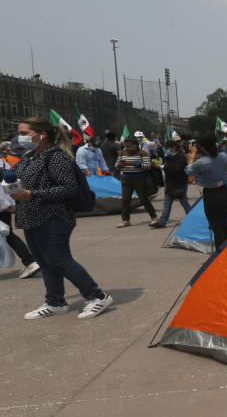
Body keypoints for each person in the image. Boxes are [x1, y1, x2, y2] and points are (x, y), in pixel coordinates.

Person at [10, 117, 114, 319]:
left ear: (42, 135)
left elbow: (68, 188)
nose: (20, 138)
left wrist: (33, 194)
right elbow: (13, 176)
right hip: (30, 217)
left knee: (59, 259)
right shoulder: (30, 157)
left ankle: (97, 296)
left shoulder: (57, 157)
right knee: (45, 262)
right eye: (19, 133)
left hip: (53, 217)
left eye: (24, 133)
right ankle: (55, 302)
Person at [185, 134, 227, 250]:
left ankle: (220, 254)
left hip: (211, 195)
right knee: (224, 224)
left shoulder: (201, 162)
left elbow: (188, 171)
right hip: (225, 192)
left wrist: (193, 154)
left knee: (216, 226)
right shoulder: (223, 156)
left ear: (200, 147)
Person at [0, 156, 40, 279]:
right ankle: (30, 262)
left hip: (3, 205)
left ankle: (30, 262)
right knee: (9, 235)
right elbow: (13, 181)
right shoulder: (3, 163)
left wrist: (6, 204)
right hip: (7, 204)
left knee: (8, 235)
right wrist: (13, 202)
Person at [115, 136, 158, 228]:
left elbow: (148, 166)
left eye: (131, 146)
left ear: (136, 145)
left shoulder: (143, 153)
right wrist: (119, 165)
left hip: (139, 179)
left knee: (143, 199)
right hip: (126, 179)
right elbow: (116, 165)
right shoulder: (122, 153)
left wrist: (137, 164)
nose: (128, 149)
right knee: (125, 200)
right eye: (126, 146)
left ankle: (154, 217)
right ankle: (126, 220)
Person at [150, 139, 191, 229]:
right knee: (167, 203)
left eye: (167, 148)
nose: (166, 150)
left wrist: (161, 166)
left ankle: (192, 218)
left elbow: (175, 169)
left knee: (184, 203)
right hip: (170, 184)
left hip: (179, 183)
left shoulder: (181, 157)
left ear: (173, 147)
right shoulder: (168, 156)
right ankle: (162, 221)